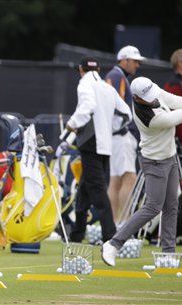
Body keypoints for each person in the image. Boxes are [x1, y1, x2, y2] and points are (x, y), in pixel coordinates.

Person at [101, 77, 182, 267]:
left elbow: (176, 101)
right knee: (152, 207)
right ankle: (113, 244)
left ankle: (168, 254)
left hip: (170, 157)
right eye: (147, 98)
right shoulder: (147, 117)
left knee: (171, 205)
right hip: (154, 162)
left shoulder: (151, 90)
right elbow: (180, 116)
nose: (153, 98)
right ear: (136, 98)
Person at [65, 56, 130, 244]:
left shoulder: (84, 85)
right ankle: (77, 234)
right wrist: (111, 128)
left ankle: (110, 235)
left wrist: (71, 124)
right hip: (105, 144)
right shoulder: (108, 88)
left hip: (89, 142)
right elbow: (126, 113)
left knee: (97, 189)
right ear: (99, 70)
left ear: (80, 69)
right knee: (85, 189)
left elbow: (88, 106)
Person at [104, 45, 145, 222]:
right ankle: (124, 222)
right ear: (125, 60)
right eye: (135, 61)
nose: (137, 65)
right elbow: (114, 107)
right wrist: (121, 128)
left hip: (116, 136)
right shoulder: (116, 76)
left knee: (116, 180)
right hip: (121, 136)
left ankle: (115, 223)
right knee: (129, 177)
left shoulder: (117, 76)